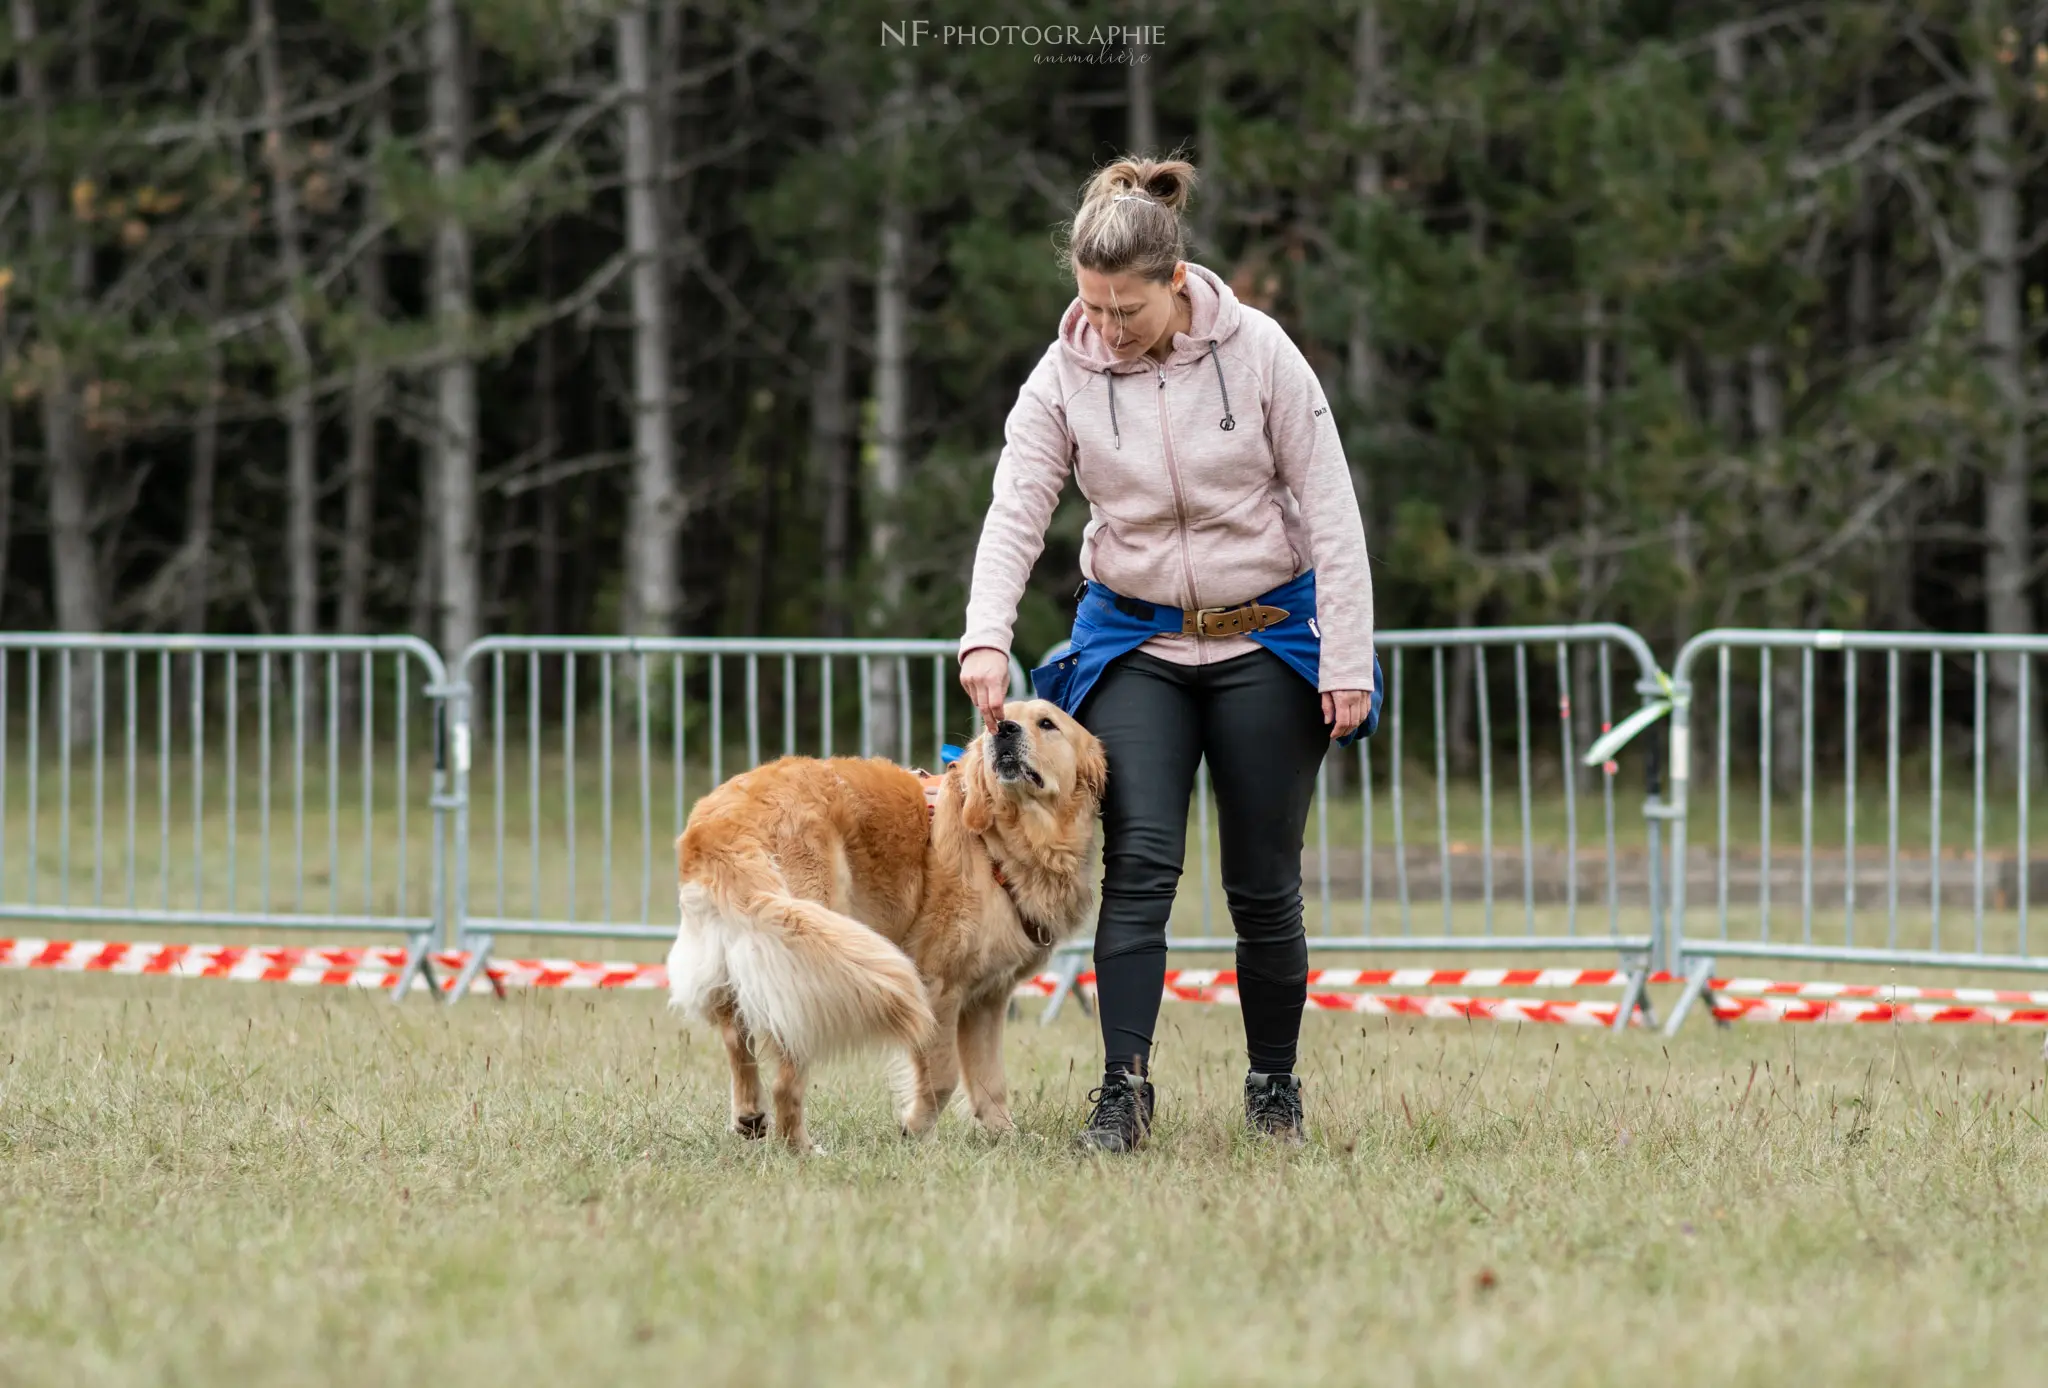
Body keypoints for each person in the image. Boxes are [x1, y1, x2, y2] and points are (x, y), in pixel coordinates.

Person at [955, 155, 1378, 1153]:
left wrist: (1346, 659)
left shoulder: (1262, 354)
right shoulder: (1063, 374)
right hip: (1136, 637)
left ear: (1175, 282)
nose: (1106, 326)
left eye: (1126, 309)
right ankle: (1122, 1090)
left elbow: (1329, 510)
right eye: (1091, 305)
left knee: (1261, 878)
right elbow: (1015, 506)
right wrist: (984, 631)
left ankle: (1273, 1082)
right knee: (1139, 863)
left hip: (1264, 636)